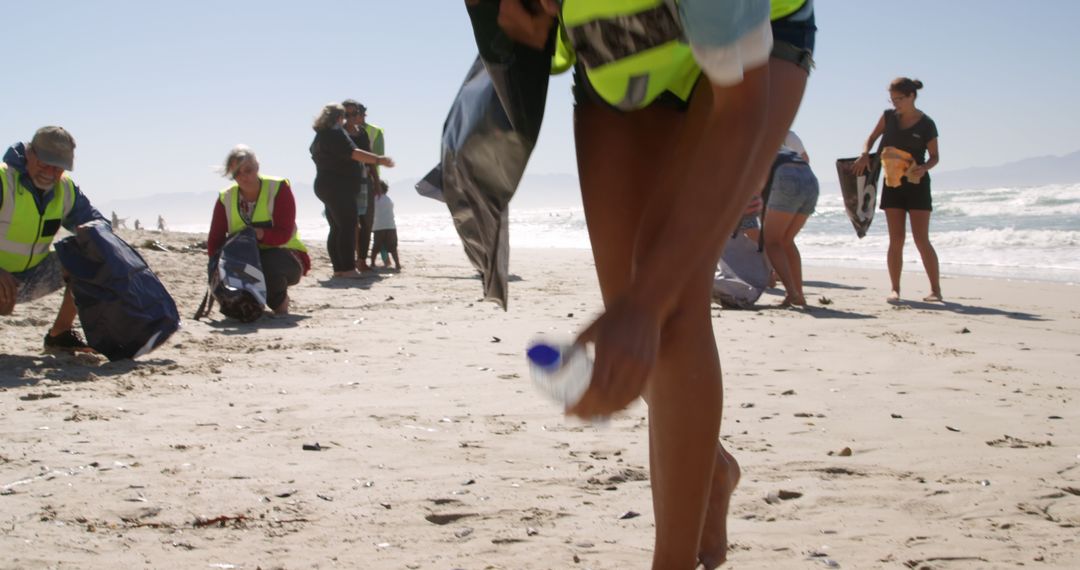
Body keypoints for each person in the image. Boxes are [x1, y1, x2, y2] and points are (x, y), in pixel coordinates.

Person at [488, 0, 815, 567]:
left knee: (667, 304)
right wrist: (530, 26)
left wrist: (646, 303)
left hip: (751, 46)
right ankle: (708, 470)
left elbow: (740, 111)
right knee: (634, 321)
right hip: (616, 58)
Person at [0, 126, 107, 352]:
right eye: (44, 163)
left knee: (90, 252)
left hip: (27, 278)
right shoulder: (3, 181)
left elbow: (98, 225)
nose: (49, 172)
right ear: (30, 153)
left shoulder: (65, 189)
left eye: (58, 167)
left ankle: (60, 335)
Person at [851, 77, 942, 303]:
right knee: (896, 239)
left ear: (912, 96)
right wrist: (864, 153)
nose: (895, 104)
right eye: (892, 99)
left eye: (899, 99)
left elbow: (935, 157)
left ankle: (935, 290)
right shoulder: (888, 117)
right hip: (892, 184)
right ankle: (895, 289)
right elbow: (871, 139)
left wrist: (924, 168)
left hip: (917, 185)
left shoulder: (926, 124)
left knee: (921, 239)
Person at [207, 146, 310, 315]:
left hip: (287, 256)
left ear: (257, 167)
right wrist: (215, 268)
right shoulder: (226, 198)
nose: (244, 176)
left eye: (248, 170)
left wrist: (259, 234)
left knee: (269, 264)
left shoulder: (277, 188)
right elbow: (215, 239)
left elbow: (284, 234)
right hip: (244, 260)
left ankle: (280, 305)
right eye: (237, 173)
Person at [309, 103, 394, 279]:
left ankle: (339, 269)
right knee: (348, 226)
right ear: (339, 118)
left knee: (337, 228)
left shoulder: (320, 135)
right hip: (339, 187)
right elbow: (354, 153)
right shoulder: (336, 133)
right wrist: (379, 160)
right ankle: (347, 268)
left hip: (324, 184)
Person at [762, 139, 819, 307]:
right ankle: (798, 294)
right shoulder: (778, 143)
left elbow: (757, 178)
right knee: (786, 241)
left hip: (785, 176)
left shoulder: (750, 143)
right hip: (810, 179)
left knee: (771, 241)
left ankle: (792, 292)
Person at [342, 99, 378, 272]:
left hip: (364, 180)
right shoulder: (337, 133)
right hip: (344, 182)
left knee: (367, 222)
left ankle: (362, 260)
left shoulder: (362, 133)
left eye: (354, 114)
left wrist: (376, 181)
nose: (350, 118)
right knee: (349, 223)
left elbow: (370, 158)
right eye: (346, 115)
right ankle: (348, 261)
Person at [369, 181, 400, 272]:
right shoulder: (388, 199)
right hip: (391, 226)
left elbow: (372, 213)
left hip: (378, 227)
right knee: (393, 247)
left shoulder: (373, 199)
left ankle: (372, 263)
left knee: (376, 246)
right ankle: (397, 264)